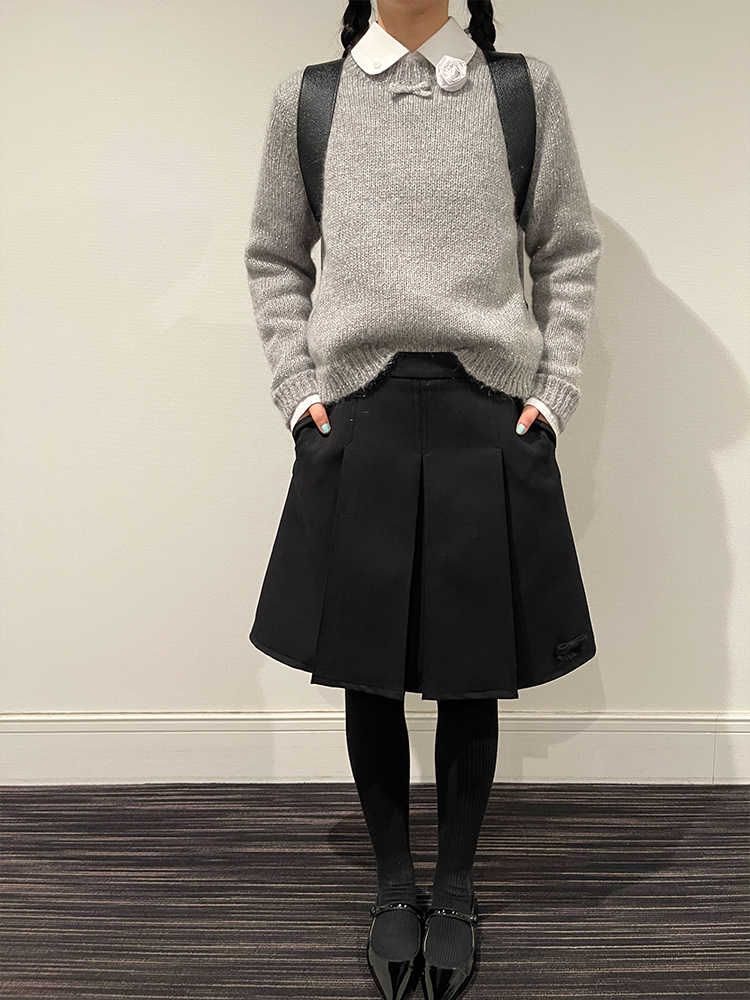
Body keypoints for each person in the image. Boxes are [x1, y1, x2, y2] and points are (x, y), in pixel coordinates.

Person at [244, 2, 602, 997]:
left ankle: (456, 886)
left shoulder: (521, 92)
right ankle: (393, 885)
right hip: (357, 415)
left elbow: (567, 249)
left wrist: (552, 394)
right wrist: (298, 391)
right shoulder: (310, 101)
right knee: (367, 670)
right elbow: (275, 256)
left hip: (490, 413)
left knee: (470, 672)